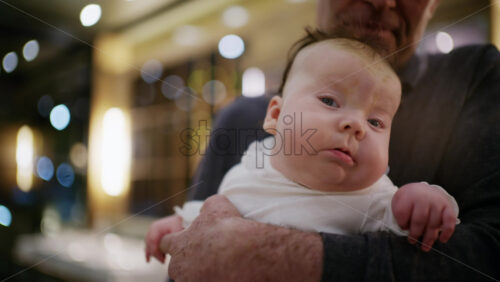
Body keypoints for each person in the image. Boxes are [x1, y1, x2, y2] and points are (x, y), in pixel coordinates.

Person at [158, 0, 500, 280]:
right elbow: (197, 243)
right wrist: (176, 226)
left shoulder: (372, 196)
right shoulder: (251, 153)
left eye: (377, 121)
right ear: (275, 116)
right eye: (330, 101)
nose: (356, 125)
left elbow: (476, 250)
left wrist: (424, 201)